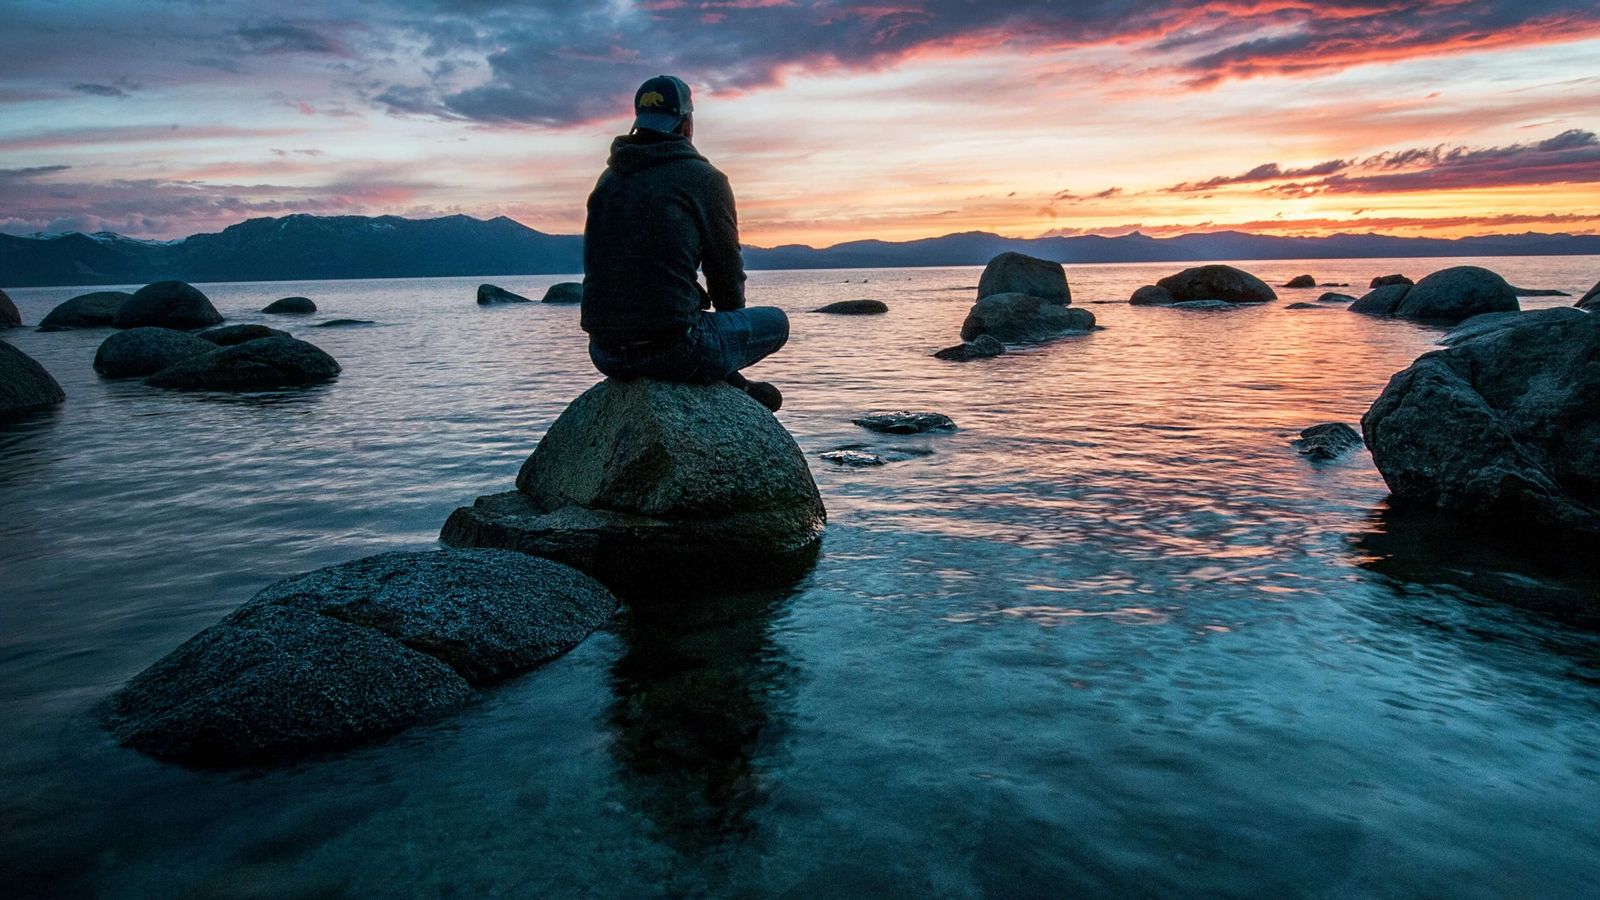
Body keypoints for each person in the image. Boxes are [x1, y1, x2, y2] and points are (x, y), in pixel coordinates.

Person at [580, 74, 788, 412]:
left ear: (638, 122)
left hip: (604, 353)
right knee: (776, 322)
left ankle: (730, 380)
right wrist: (726, 337)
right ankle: (730, 380)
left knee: (689, 315)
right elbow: (725, 272)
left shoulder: (608, 180)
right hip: (674, 350)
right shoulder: (704, 179)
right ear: (687, 123)